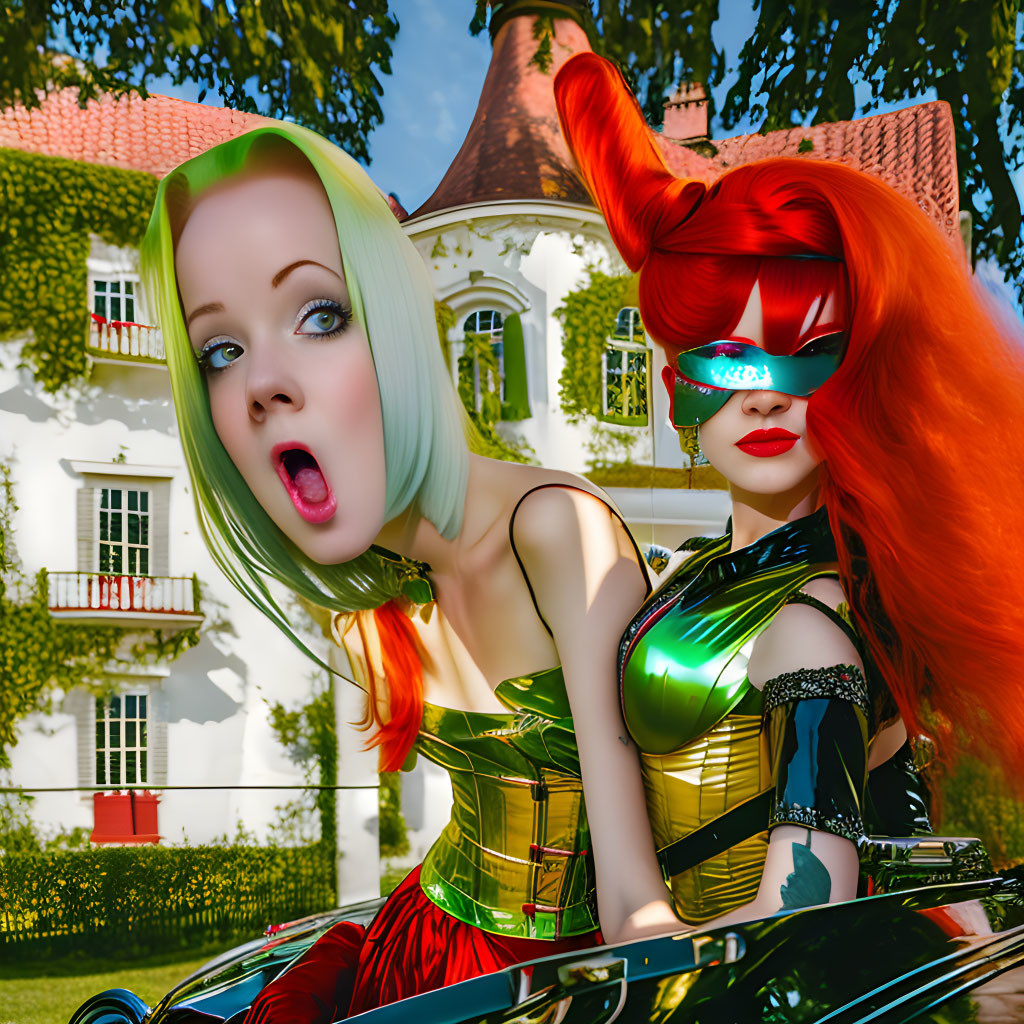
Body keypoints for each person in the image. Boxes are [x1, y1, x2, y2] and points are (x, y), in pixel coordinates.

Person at [140, 119, 678, 1020]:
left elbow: (633, 900)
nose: (263, 384)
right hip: (416, 940)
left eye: (320, 314)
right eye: (220, 352)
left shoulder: (557, 532)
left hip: (535, 990)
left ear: (394, 319)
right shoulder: (371, 598)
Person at [554, 52, 1024, 928]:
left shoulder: (809, 625)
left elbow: (803, 916)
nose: (765, 391)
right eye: (726, 353)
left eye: (804, 350)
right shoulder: (703, 575)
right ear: (675, 382)